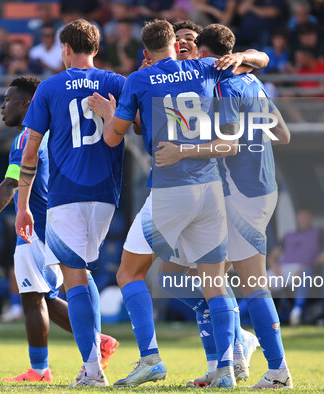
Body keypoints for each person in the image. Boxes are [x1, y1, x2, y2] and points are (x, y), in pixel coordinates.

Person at [88, 19, 268, 388]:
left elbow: (112, 138)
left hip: (171, 191)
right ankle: (226, 369)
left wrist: (110, 114)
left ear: (146, 52)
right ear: (176, 45)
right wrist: (243, 56)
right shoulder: (204, 67)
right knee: (210, 283)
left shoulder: (142, 78)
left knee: (128, 273)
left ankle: (151, 359)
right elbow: (259, 60)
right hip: (210, 191)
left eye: (192, 40)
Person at [154, 23, 292, 388]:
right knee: (202, 275)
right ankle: (231, 354)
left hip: (241, 192)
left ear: (202, 50)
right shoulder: (252, 80)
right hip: (263, 187)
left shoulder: (224, 84)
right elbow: (283, 134)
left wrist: (182, 150)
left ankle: (274, 369)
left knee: (245, 284)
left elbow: (228, 146)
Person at [0, 76, 120, 382]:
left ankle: (41, 368)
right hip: (59, 221)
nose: (2, 107)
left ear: (27, 104)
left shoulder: (27, 137)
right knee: (47, 294)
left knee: (33, 296)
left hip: (34, 225)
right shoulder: (55, 133)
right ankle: (94, 342)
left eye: (7, 100)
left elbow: (12, 182)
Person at [15, 19, 127, 387]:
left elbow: (30, 148)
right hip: (107, 194)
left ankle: (92, 369)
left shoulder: (48, 88)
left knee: (73, 280)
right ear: (96, 48)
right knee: (85, 274)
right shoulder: (116, 82)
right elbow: (139, 125)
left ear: (65, 48)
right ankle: (93, 359)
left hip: (66, 196)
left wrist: (23, 205)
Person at [171, 19, 264, 387]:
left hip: (218, 190)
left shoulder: (217, 72)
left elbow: (262, 58)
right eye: (177, 39)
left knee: (208, 278)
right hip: (183, 190)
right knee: (191, 281)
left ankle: (225, 359)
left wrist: (241, 55)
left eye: (189, 40)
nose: (182, 45)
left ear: (202, 48)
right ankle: (234, 346)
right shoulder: (168, 77)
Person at [268, 204, 321, 326]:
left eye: (306, 217)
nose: (303, 219)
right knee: (258, 286)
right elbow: (273, 255)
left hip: (302, 268)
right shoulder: (289, 235)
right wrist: (274, 266)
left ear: (311, 218)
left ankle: (296, 313)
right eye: (301, 217)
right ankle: (239, 315)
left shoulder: (318, 234)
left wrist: (304, 267)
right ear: (297, 217)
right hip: (282, 268)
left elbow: (322, 256)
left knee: (306, 274)